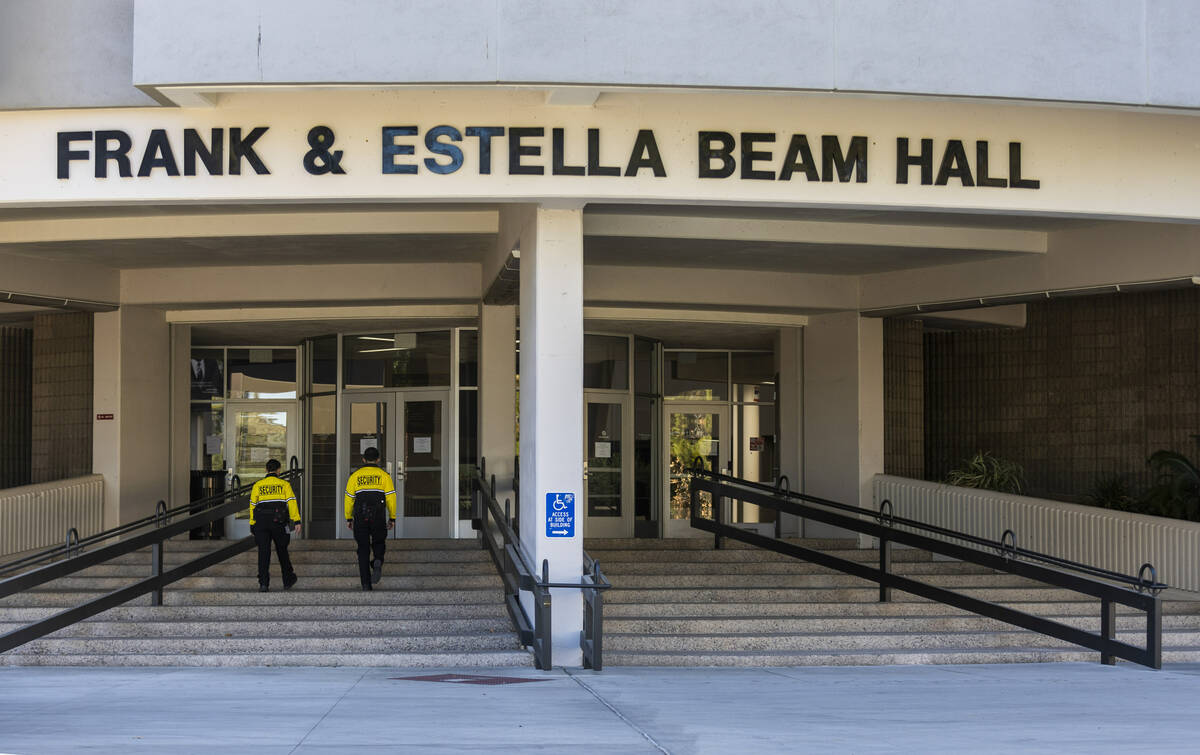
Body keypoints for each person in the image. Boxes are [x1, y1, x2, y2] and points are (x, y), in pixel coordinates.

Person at [344, 446, 396, 591]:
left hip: (360, 516)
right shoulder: (384, 476)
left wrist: (348, 518)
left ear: (363, 459)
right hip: (378, 515)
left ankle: (366, 584)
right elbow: (391, 498)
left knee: (363, 549)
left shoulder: (355, 476)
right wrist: (392, 518)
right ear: (378, 459)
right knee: (379, 541)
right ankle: (378, 559)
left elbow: (348, 499)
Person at [248, 458, 300, 592]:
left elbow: (252, 506)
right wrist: (297, 520)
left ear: (266, 470)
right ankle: (288, 580)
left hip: (261, 524)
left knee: (263, 553)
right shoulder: (284, 484)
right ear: (278, 470)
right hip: (279, 523)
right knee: (282, 550)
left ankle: (263, 584)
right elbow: (292, 502)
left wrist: (252, 524)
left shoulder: (258, 485)